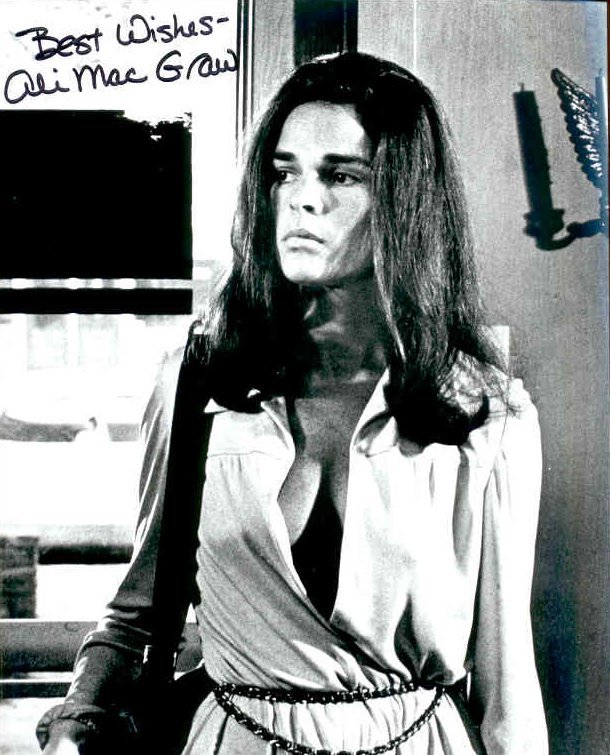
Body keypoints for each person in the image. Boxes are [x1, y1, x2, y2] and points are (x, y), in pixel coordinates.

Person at [37, 52, 548, 754]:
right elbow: (134, 618)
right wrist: (78, 719)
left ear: (406, 200)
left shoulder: (483, 413)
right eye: (284, 173)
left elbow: (508, 686)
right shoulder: (199, 384)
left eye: (341, 175)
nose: (303, 200)